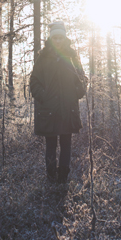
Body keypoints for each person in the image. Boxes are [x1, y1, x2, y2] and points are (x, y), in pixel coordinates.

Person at [29, 21, 87, 185]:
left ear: (65, 37)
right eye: (55, 38)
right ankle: (51, 177)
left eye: (61, 37)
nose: (58, 41)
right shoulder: (43, 57)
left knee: (66, 144)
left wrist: (76, 92)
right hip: (48, 110)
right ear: (51, 38)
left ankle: (63, 179)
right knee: (51, 145)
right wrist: (43, 96)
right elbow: (34, 81)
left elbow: (82, 79)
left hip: (67, 109)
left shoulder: (72, 56)